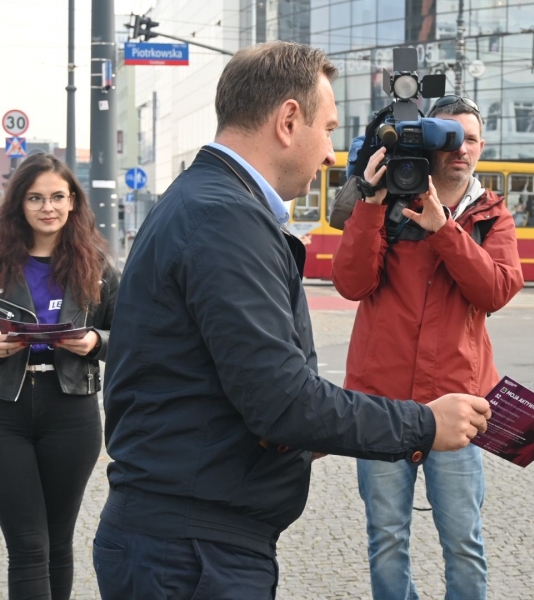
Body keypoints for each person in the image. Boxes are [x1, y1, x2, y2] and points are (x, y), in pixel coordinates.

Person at [94, 42, 491, 600]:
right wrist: (424, 424)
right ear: (287, 120)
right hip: (192, 553)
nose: (330, 155)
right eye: (327, 130)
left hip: (188, 537)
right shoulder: (225, 216)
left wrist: (309, 435)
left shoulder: (206, 200)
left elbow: (225, 386)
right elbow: (280, 401)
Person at [331, 95, 524, 600]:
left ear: (482, 147)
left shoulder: (491, 215)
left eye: (471, 139)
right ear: (427, 143)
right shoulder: (385, 204)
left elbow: (495, 291)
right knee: (386, 540)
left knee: (463, 542)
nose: (461, 149)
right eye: (449, 137)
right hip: (381, 404)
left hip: (458, 405)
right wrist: (369, 205)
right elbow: (351, 283)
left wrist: (444, 231)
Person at [0, 153, 119, 600]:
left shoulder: (97, 266)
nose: (47, 207)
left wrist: (95, 341)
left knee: (57, 543)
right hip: (5, 411)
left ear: (72, 201)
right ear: (19, 203)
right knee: (28, 546)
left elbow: (137, 337)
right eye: (35, 198)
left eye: (56, 197)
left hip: (72, 411)